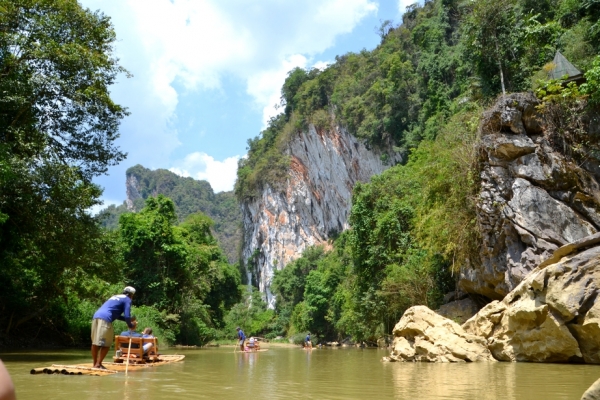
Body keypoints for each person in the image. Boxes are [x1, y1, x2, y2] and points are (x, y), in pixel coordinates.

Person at [91, 286, 136, 369]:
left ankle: (95, 364)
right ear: (132, 295)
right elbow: (127, 316)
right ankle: (98, 364)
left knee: (95, 343)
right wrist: (131, 325)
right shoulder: (127, 300)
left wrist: (129, 319)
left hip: (96, 317)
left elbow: (116, 315)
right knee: (107, 344)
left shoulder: (115, 297)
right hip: (105, 319)